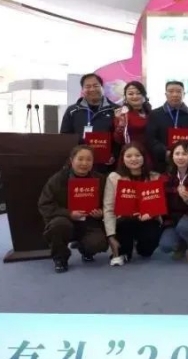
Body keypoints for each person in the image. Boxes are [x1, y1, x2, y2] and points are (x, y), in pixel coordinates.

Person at [38, 145, 108, 273]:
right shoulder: (59, 179)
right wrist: (69, 213)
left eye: (89, 159)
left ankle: (85, 250)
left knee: (98, 243)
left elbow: (108, 203)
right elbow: (45, 204)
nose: (84, 163)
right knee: (58, 226)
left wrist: (101, 212)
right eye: (80, 159)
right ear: (71, 160)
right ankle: (60, 258)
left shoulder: (100, 179)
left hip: (89, 222)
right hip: (64, 220)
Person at [102, 143, 162, 266]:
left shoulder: (155, 177)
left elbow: (159, 206)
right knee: (124, 249)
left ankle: (139, 245)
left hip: (147, 219)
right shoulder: (114, 178)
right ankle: (124, 248)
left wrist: (151, 214)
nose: (133, 159)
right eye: (129, 156)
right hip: (124, 221)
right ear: (122, 158)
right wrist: (111, 236)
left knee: (146, 251)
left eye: (137, 155)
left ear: (144, 157)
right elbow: (108, 208)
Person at [158, 141, 188, 263]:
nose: (180, 157)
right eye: (177, 154)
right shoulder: (166, 175)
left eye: (184, 154)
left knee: (185, 227)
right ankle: (182, 245)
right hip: (173, 218)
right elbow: (160, 200)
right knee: (165, 246)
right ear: (172, 156)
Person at [145, 81, 188, 173]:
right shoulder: (155, 114)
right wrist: (165, 153)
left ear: (184, 94)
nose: (175, 94)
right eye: (171, 91)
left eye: (178, 91)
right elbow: (151, 139)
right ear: (165, 94)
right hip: (162, 163)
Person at [60, 73, 119, 143]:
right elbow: (65, 136)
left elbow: (121, 137)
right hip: (80, 150)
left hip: (108, 150)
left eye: (95, 86)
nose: (92, 89)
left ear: (102, 87)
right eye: (88, 86)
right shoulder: (72, 111)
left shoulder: (116, 110)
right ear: (82, 89)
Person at [113, 81, 152, 164]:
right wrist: (121, 125)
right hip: (132, 154)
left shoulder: (151, 113)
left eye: (138, 93)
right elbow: (118, 139)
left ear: (144, 95)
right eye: (131, 94)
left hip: (151, 153)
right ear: (125, 97)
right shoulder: (122, 114)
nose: (135, 96)